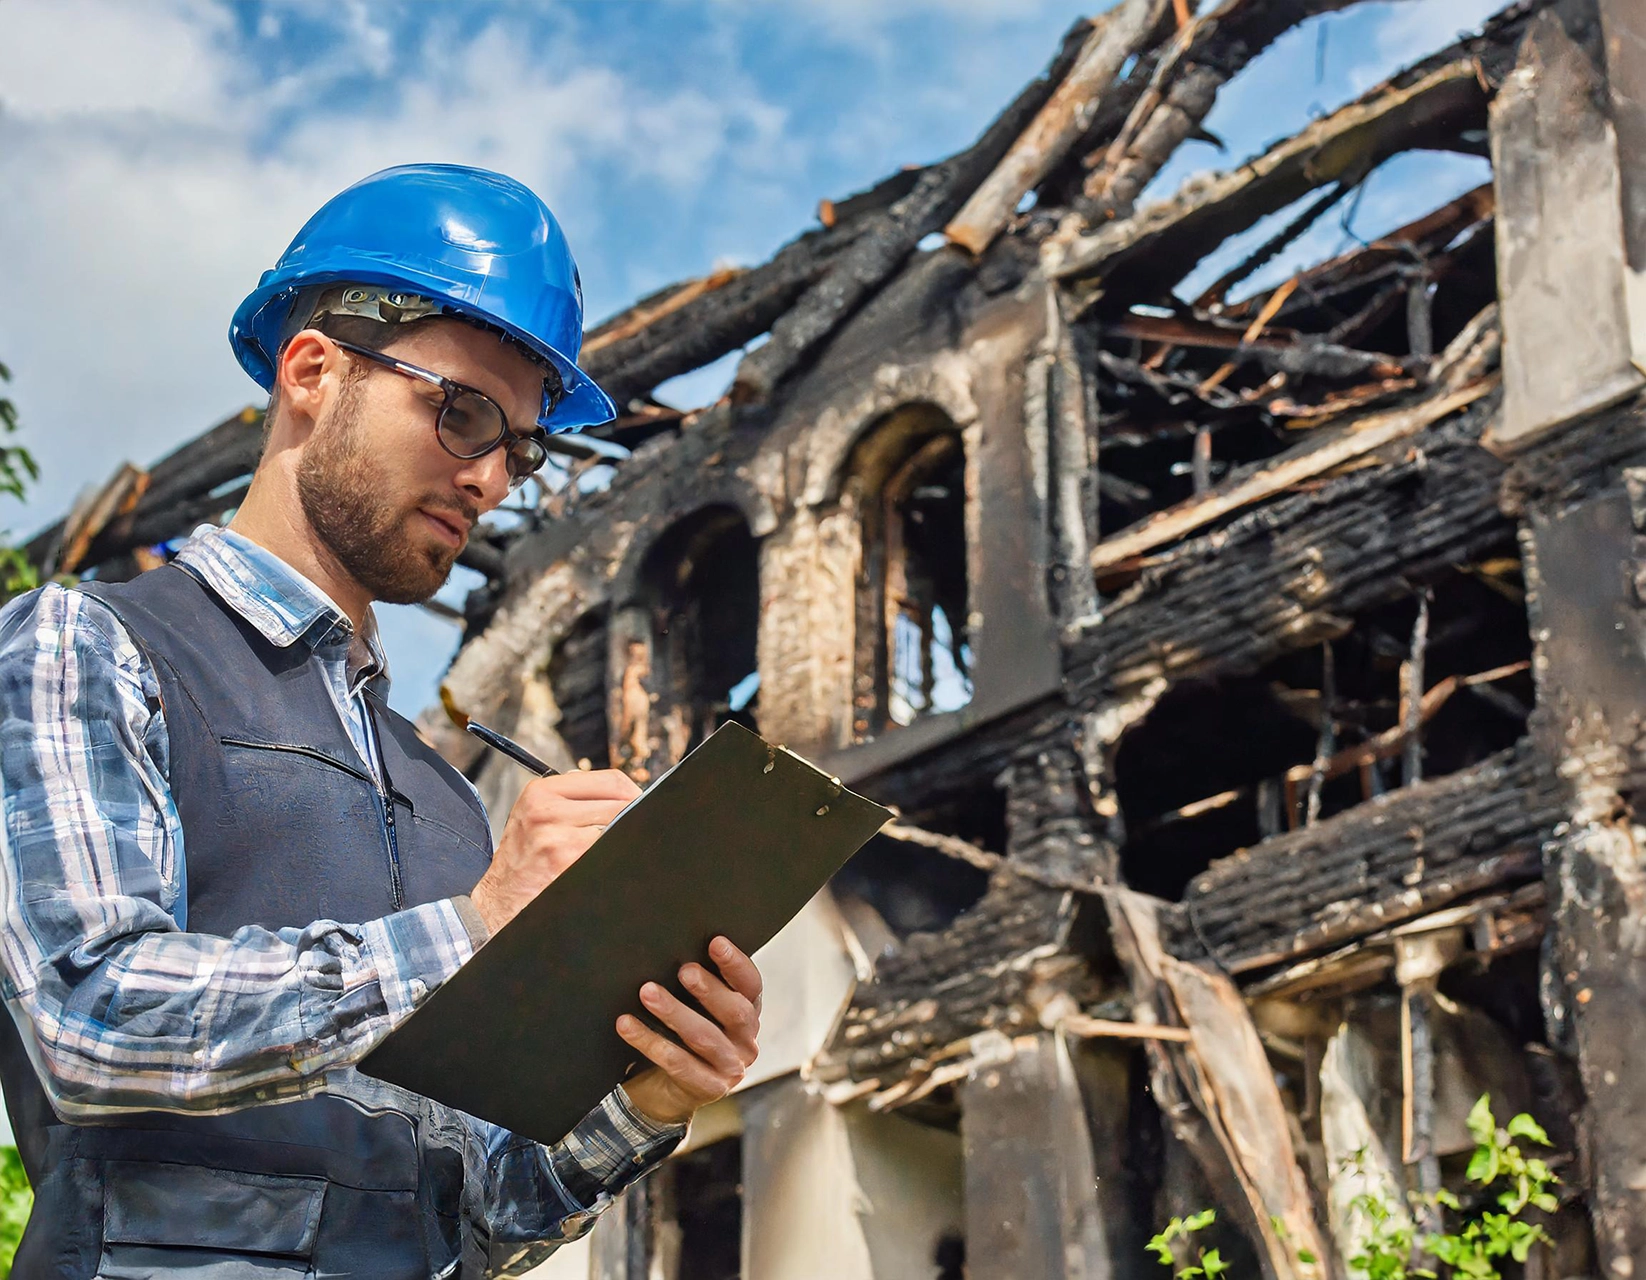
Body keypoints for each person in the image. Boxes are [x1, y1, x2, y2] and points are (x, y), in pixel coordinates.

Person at [0, 164, 763, 1278]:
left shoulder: (444, 796)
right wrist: (469, 930)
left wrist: (649, 1094)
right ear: (312, 370)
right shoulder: (94, 643)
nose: (493, 476)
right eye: (461, 412)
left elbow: (477, 1207)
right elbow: (86, 1018)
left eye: (522, 446)